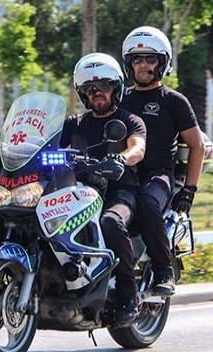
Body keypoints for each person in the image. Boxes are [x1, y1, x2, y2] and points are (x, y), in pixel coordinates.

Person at [60, 53, 147, 326]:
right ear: (83, 94)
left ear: (117, 88)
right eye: (89, 88)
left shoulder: (129, 120)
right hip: (80, 192)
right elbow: (48, 148)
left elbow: (138, 147)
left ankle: (127, 292)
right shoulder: (73, 124)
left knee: (110, 222)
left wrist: (122, 158)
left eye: (104, 86)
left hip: (119, 192)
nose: (97, 92)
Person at [119, 26, 204, 296]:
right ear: (128, 64)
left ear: (162, 63)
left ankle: (163, 268)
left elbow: (197, 145)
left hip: (157, 175)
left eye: (150, 59)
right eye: (136, 59)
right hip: (121, 174)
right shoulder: (119, 99)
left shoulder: (174, 101)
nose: (142, 65)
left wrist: (189, 190)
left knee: (146, 203)